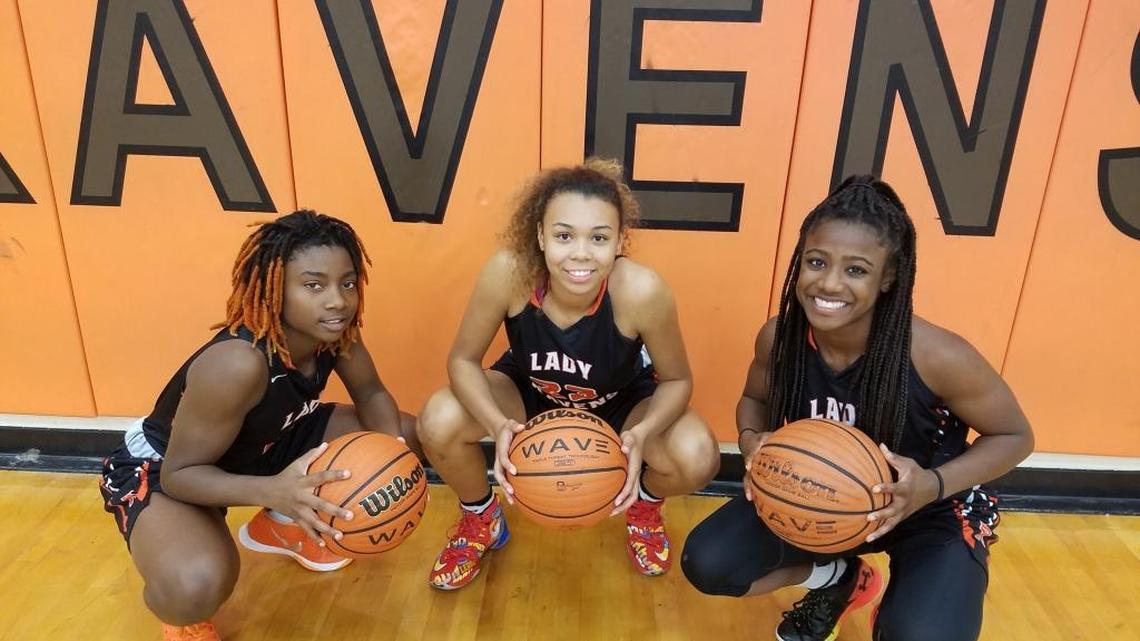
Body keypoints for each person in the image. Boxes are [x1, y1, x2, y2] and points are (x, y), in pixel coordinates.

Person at [680, 176, 1034, 641]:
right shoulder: (780, 338)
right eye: (816, 261)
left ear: (888, 277)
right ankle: (838, 582)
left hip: (929, 506)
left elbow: (1015, 437)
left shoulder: (937, 356)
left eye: (856, 270)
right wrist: (753, 443)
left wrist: (930, 485)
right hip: (819, 496)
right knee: (710, 562)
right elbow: (755, 401)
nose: (829, 283)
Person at [98, 210, 418, 641]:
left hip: (269, 443)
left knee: (405, 436)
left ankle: (282, 524)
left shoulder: (335, 333)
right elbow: (181, 475)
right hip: (168, 469)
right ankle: (183, 620)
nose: (337, 300)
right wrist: (273, 489)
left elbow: (374, 395)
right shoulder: (238, 364)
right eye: (313, 285)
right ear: (274, 291)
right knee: (196, 584)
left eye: (347, 282)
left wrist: (389, 452)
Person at [416, 159, 720, 590]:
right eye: (563, 236)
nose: (580, 253)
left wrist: (642, 433)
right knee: (438, 418)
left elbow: (677, 381)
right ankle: (481, 519)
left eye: (598, 238)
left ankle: (644, 507)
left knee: (697, 454)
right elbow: (463, 360)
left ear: (619, 241)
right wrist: (496, 424)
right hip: (529, 395)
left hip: (618, 405)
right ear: (540, 236)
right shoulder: (510, 274)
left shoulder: (641, 291)